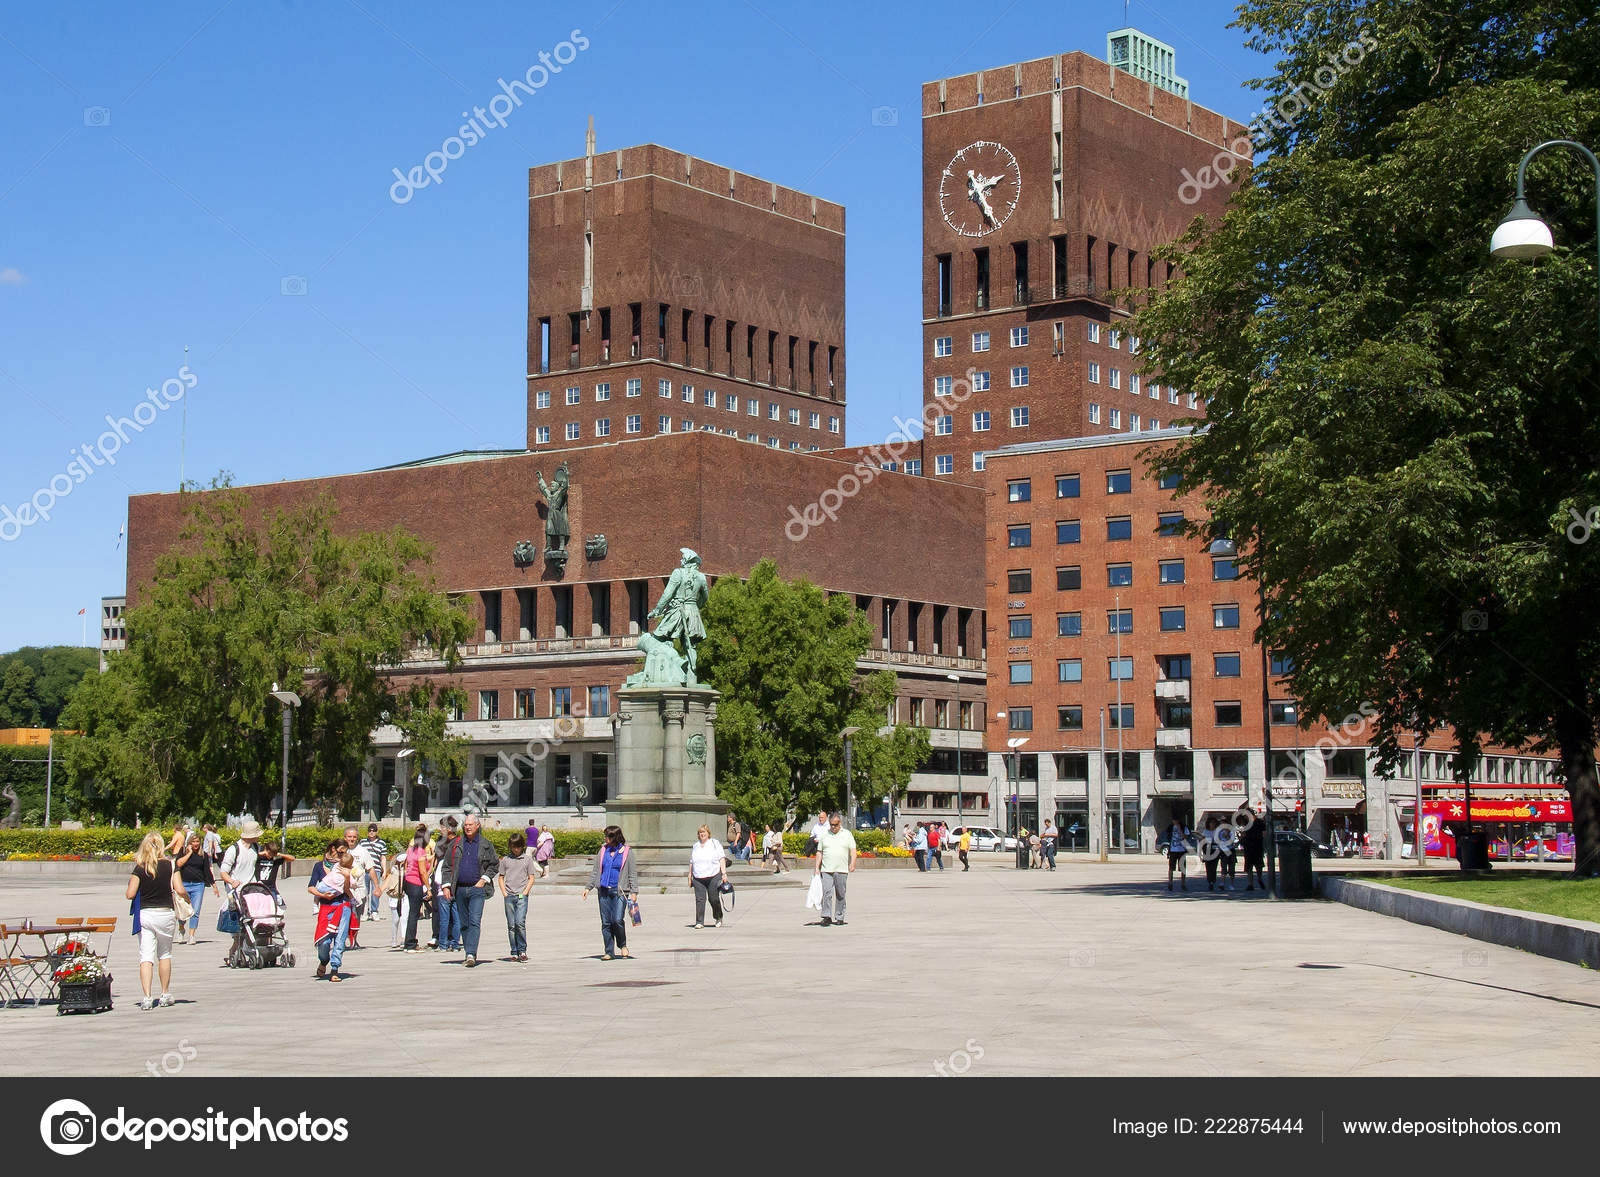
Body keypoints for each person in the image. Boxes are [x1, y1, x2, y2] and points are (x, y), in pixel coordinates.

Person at [125, 832, 183, 1009]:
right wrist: (186, 900)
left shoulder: (140, 867)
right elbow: (179, 888)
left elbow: (130, 894)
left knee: (146, 956)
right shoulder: (171, 865)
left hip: (146, 914)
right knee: (164, 954)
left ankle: (147, 997)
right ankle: (165, 993)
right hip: (165, 912)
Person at [439, 812, 499, 967]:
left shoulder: (485, 844)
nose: (467, 827)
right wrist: (446, 886)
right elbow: (447, 866)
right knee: (464, 923)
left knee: (474, 921)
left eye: (470, 825)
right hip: (459, 889)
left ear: (477, 826)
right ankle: (468, 952)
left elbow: (494, 865)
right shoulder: (456, 843)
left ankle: (471, 953)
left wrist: (483, 879)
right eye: (465, 825)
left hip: (477, 889)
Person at [582, 825, 638, 960]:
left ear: (615, 837)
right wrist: (588, 887)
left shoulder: (627, 852)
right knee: (606, 922)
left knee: (617, 919)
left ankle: (622, 944)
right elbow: (596, 870)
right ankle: (609, 951)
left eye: (607, 836)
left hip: (619, 891)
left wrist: (634, 891)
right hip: (604, 891)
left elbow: (632, 873)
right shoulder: (603, 850)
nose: (605, 838)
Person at [308, 839, 354, 981]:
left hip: (343, 905)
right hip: (327, 907)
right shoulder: (319, 866)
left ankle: (335, 968)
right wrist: (322, 895)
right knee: (324, 942)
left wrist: (347, 877)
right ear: (332, 849)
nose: (341, 855)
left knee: (340, 939)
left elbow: (348, 889)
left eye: (344, 852)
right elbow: (311, 887)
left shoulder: (346, 866)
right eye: (340, 851)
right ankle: (323, 960)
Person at [217, 819, 263, 957]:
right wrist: (232, 881)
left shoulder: (255, 848)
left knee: (253, 920)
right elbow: (223, 872)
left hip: (251, 889)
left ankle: (248, 948)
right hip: (237, 891)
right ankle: (235, 950)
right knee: (239, 923)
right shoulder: (234, 849)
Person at [173, 832, 219, 945]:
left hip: (198, 885)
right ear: (189, 843)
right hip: (184, 884)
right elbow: (178, 864)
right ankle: (181, 929)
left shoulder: (203, 855)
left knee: (195, 911)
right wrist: (188, 853)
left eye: (197, 841)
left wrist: (214, 885)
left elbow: (207, 871)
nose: (195, 844)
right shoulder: (183, 852)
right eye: (193, 842)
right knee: (183, 910)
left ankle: (192, 935)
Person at [498, 831, 535, 962]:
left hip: (521, 896)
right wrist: (504, 892)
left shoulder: (527, 859)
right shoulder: (506, 860)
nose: (516, 849)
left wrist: (525, 892)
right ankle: (514, 951)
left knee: (520, 923)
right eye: (513, 847)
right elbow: (501, 877)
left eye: (518, 847)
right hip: (509, 895)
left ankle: (522, 950)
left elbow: (531, 877)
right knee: (511, 925)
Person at [814, 812, 857, 926]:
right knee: (827, 892)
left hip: (841, 869)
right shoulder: (825, 835)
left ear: (840, 823)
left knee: (840, 894)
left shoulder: (847, 834)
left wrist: (852, 863)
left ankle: (839, 916)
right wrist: (817, 868)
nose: (833, 827)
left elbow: (853, 850)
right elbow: (819, 852)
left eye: (835, 825)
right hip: (826, 869)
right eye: (831, 825)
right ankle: (826, 916)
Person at [342, 826, 378, 949]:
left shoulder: (363, 851)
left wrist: (377, 886)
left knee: (357, 916)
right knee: (345, 915)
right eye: (349, 837)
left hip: (359, 890)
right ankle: (344, 939)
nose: (351, 839)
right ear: (344, 837)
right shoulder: (340, 851)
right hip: (343, 890)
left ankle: (354, 939)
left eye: (354, 837)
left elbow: (371, 869)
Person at [689, 824, 729, 928]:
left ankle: (718, 916)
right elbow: (692, 862)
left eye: (704, 832)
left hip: (713, 875)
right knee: (700, 899)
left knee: (713, 898)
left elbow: (721, 858)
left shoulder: (714, 843)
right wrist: (690, 875)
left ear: (708, 834)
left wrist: (724, 873)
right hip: (698, 876)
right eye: (700, 833)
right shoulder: (695, 845)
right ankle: (699, 921)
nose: (702, 834)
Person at [400, 827, 433, 952]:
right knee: (414, 914)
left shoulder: (411, 849)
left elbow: (407, 865)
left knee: (411, 914)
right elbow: (423, 872)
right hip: (415, 883)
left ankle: (409, 941)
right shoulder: (421, 852)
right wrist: (428, 888)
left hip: (408, 881)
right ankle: (410, 944)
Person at [358, 823, 390, 924]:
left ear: (377, 832)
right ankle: (364, 912)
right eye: (370, 830)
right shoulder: (362, 842)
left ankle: (374, 911)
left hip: (376, 869)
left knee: (375, 891)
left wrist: (384, 870)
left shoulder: (381, 843)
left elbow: (383, 858)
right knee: (364, 891)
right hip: (364, 870)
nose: (371, 832)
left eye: (373, 830)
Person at [1239, 806, 1267, 891]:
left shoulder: (1260, 822)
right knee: (1249, 866)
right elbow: (1243, 834)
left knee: (1259, 865)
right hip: (1248, 847)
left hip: (1257, 846)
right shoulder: (1246, 824)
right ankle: (1250, 884)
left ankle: (1259, 878)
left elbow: (1264, 834)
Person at [1165, 818, 1192, 891]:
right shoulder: (1170, 827)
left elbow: (1186, 837)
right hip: (1173, 850)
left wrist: (1180, 829)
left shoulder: (1184, 827)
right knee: (1171, 867)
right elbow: (1168, 837)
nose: (1174, 821)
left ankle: (1183, 884)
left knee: (1183, 868)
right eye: (1173, 820)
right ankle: (1170, 883)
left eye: (1176, 820)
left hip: (1182, 850)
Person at [1199, 816, 1223, 891]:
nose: (1212, 824)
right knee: (1208, 867)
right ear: (1208, 824)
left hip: (1215, 850)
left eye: (1214, 823)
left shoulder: (1217, 831)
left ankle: (1213, 880)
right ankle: (1210, 882)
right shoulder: (1206, 831)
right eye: (1211, 823)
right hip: (1207, 850)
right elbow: (1202, 841)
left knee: (1214, 867)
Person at [1217, 818, 1238, 890]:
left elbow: (1232, 841)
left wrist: (1227, 835)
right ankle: (1222, 882)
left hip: (1230, 850)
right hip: (1223, 850)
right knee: (1223, 866)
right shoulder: (1219, 832)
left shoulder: (1231, 831)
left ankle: (1232, 884)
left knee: (1231, 867)